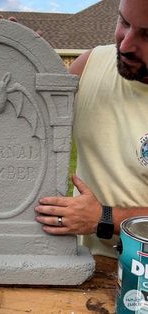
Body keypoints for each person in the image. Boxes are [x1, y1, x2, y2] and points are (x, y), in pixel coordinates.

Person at [35, 0, 148, 257]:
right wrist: (21, 62)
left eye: (147, 34)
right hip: (83, 267)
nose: (126, 44)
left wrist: (105, 217)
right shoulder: (90, 66)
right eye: (124, 23)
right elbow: (29, 123)